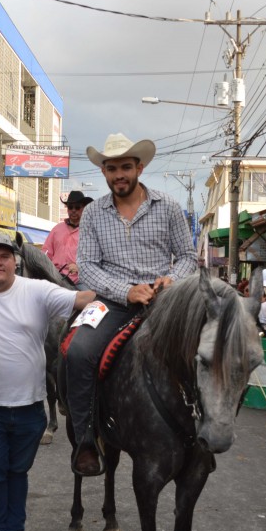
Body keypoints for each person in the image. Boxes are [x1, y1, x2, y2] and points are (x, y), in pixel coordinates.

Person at [67, 133, 197, 476]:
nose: (119, 174)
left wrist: (172, 279)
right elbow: (88, 267)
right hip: (112, 303)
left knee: (205, 350)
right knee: (77, 352)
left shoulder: (168, 206)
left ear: (140, 167)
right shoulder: (93, 214)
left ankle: (203, 435)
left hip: (165, 303)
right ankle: (85, 440)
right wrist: (126, 291)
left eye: (125, 167)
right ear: (104, 172)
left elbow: (188, 257)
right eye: (112, 169)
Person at [0, 234, 95, 531]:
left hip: (29, 407)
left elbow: (81, 298)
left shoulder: (37, 290)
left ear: (16, 261)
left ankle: (16, 530)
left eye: (5, 256)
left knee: (18, 472)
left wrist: (128, 292)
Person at [43, 190, 92, 284]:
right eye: (70, 207)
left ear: (84, 208)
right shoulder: (57, 229)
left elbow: (96, 260)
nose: (73, 210)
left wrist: (80, 268)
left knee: (91, 293)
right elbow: (46, 254)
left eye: (77, 207)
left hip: (79, 280)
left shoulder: (90, 232)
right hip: (55, 277)